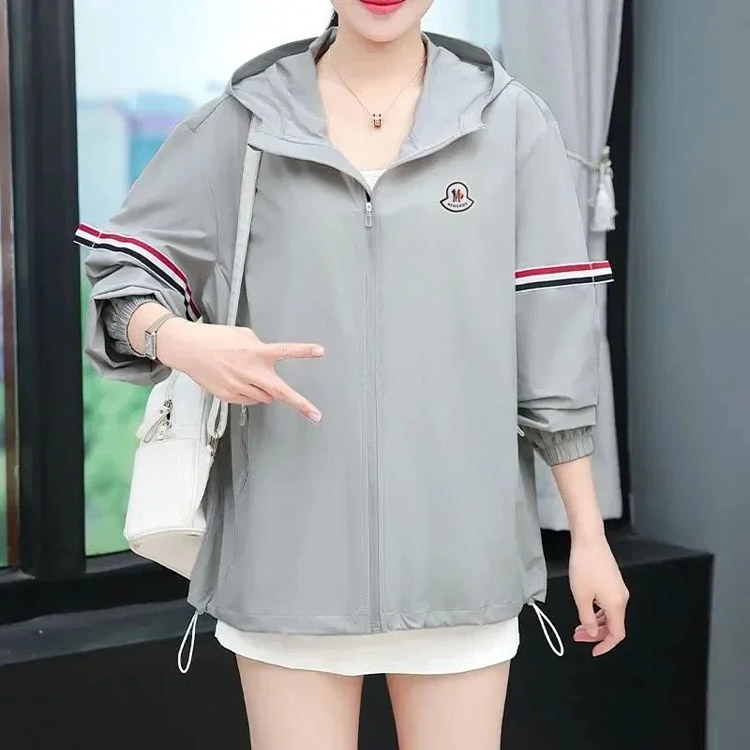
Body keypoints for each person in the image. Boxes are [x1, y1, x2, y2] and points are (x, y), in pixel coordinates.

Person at [75, 1, 630, 747]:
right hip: (286, 564)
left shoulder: (509, 122)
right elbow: (122, 278)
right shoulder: (245, 123)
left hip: (461, 562)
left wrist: (589, 537)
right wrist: (179, 340)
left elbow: (552, 346)